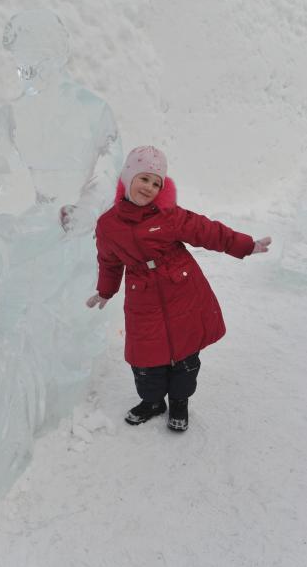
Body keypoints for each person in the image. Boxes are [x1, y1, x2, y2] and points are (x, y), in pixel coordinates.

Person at [86, 146, 271, 432]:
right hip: (142, 297)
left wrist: (245, 245)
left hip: (182, 290)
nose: (149, 187)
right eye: (143, 178)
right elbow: (109, 262)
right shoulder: (108, 225)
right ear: (127, 178)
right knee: (144, 358)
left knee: (185, 355)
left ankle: (180, 402)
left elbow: (207, 231)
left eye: (156, 182)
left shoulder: (168, 215)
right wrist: (105, 291)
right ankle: (152, 402)